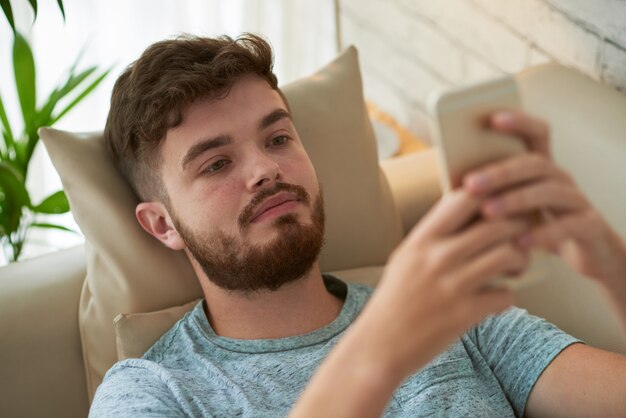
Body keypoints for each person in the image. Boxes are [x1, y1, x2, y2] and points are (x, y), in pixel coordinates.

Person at [90, 34, 626, 417]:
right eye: (216, 163)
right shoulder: (153, 393)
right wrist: (378, 351)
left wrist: (612, 267)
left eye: (277, 138)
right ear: (162, 224)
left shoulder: (460, 317)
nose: (265, 169)